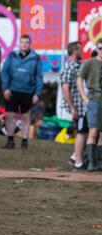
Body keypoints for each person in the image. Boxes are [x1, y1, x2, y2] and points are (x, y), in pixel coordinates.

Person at [1, 35, 43, 150]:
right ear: (19, 44)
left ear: (30, 44)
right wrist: (6, 88)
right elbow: (4, 72)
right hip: (12, 90)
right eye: (22, 42)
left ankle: (24, 141)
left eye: (27, 43)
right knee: (10, 115)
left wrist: (37, 93)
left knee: (26, 116)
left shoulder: (35, 58)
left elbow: (39, 76)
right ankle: (10, 141)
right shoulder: (12, 55)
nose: (24, 44)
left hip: (28, 91)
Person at [60, 41, 87, 170]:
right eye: (80, 50)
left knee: (87, 132)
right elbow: (65, 88)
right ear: (75, 50)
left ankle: (74, 156)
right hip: (78, 107)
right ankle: (78, 161)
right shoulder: (69, 67)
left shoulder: (78, 65)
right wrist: (72, 107)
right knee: (82, 132)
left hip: (83, 106)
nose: (82, 52)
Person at [77, 38, 102, 172]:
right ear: (97, 49)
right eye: (100, 48)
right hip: (93, 98)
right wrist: (84, 97)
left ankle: (99, 163)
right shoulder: (90, 63)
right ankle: (91, 163)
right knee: (92, 131)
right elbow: (79, 79)